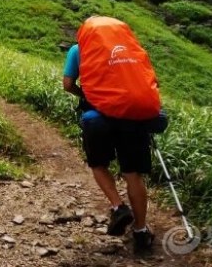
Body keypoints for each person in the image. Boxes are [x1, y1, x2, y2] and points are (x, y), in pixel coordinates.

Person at [62, 16, 159, 255]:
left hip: (98, 119)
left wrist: (86, 95)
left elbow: (67, 84)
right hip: (133, 118)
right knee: (132, 174)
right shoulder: (132, 49)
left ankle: (118, 206)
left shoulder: (78, 49)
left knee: (98, 164)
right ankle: (140, 231)